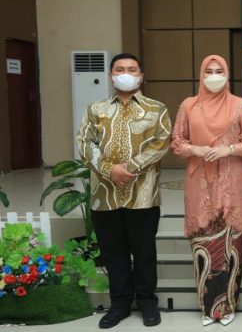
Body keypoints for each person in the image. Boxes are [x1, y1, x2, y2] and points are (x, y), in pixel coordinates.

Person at [76, 53, 172, 329]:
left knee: (144, 253)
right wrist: (109, 170)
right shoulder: (96, 109)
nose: (126, 73)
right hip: (104, 196)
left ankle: (147, 303)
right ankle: (119, 304)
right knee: (113, 252)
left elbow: (161, 143)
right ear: (111, 75)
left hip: (142, 194)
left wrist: (128, 168)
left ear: (141, 76)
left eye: (132, 69)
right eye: (120, 69)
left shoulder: (157, 109)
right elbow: (85, 143)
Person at [170, 55, 242, 326]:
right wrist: (197, 149)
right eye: (209, 71)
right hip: (199, 184)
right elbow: (176, 142)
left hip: (232, 181)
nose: (215, 75)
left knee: (231, 243)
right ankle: (207, 307)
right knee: (203, 243)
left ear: (228, 74)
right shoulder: (189, 105)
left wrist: (227, 149)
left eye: (220, 71)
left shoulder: (239, 105)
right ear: (201, 73)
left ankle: (228, 306)